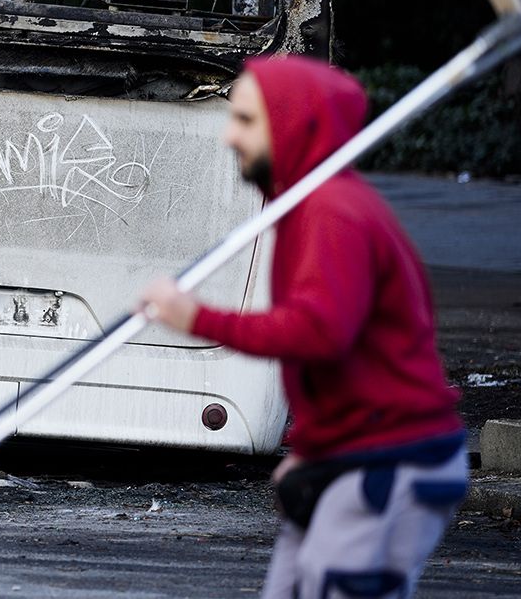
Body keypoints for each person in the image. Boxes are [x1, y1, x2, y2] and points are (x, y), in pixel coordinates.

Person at [137, 55, 466, 598]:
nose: (228, 137)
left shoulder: (333, 212)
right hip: (351, 452)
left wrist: (197, 318)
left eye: (244, 121)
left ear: (291, 124)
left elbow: (319, 332)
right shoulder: (308, 205)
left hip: (391, 456)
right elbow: (338, 360)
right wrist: (311, 452)